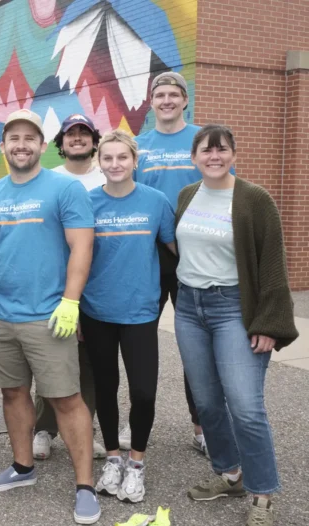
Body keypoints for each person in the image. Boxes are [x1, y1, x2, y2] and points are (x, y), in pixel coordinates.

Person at [0, 109, 100, 525]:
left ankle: (85, 486)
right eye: (13, 138)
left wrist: (71, 301)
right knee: (12, 393)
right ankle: (22, 468)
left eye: (29, 138)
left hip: (48, 313)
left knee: (65, 398)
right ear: (3, 146)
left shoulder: (64, 188)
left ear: (43, 146)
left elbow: (82, 246)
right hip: (1, 314)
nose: (21, 145)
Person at [174, 124, 298, 526]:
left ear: (233, 154)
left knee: (246, 407)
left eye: (221, 149)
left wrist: (269, 322)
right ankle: (229, 475)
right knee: (206, 401)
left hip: (234, 310)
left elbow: (272, 264)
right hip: (190, 308)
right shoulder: (187, 196)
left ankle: (262, 497)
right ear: (194, 157)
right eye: (206, 150)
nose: (214, 156)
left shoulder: (254, 199)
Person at [79, 130, 176, 504]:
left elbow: (175, 250)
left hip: (139, 311)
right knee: (104, 387)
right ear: (99, 162)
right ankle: (113, 459)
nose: (115, 164)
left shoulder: (156, 201)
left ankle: (137, 463)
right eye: (108, 158)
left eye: (122, 157)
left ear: (135, 161)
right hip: (96, 310)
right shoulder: (87, 202)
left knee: (143, 392)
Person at [134, 71, 207, 455]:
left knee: (195, 344)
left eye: (173, 94)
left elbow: (221, 190)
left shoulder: (200, 140)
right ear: (151, 101)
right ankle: (135, 424)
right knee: (136, 339)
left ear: (184, 100)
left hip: (194, 254)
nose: (166, 100)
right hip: (147, 255)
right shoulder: (137, 145)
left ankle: (202, 427)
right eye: (159, 94)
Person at [33, 113, 106, 461]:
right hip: (57, 284)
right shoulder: (48, 180)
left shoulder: (110, 176)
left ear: (94, 140)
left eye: (84, 133)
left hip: (100, 284)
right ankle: (44, 428)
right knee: (50, 357)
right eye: (70, 134)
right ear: (60, 144)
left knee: (89, 362)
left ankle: (83, 427)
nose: (77, 139)